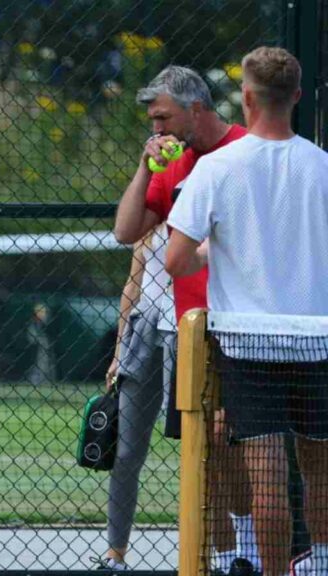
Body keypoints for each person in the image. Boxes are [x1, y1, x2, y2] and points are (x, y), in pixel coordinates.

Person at [167, 46, 328, 576]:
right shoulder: (322, 167)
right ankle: (321, 564)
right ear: (297, 97)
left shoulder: (217, 169)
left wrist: (221, 246)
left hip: (247, 344)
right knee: (319, 471)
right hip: (317, 340)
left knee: (267, 478)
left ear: (248, 96)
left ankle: (275, 572)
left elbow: (176, 258)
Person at [111, 65, 257, 574]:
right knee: (202, 448)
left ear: (196, 108)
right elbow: (126, 231)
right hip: (189, 330)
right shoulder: (171, 162)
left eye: (162, 118)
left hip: (243, 324)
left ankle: (252, 548)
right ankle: (222, 559)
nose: (157, 130)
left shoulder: (245, 150)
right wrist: (144, 166)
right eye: (151, 121)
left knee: (234, 442)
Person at [94, 227, 170, 571]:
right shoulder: (150, 216)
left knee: (205, 446)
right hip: (145, 331)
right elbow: (133, 284)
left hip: (190, 327)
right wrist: (119, 352)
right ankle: (115, 554)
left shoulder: (204, 192)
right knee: (125, 452)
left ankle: (221, 549)